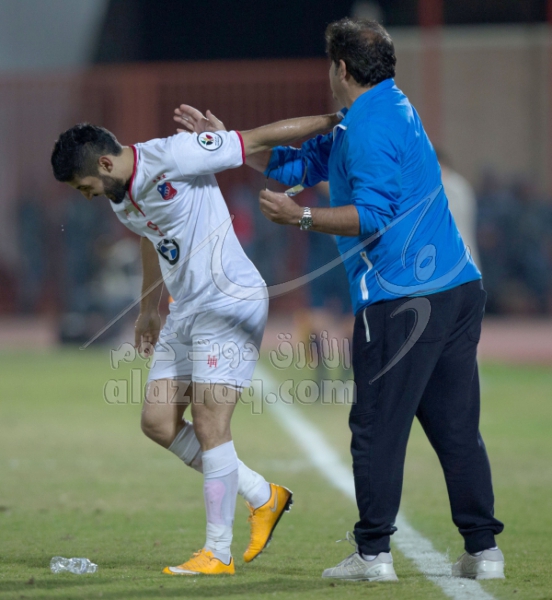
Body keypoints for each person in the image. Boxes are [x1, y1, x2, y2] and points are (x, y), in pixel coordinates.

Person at [225, 17, 504, 582]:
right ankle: (483, 550)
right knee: (456, 428)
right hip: (455, 289)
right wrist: (228, 148)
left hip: (405, 300)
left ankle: (373, 554)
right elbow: (298, 165)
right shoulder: (387, 108)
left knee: (376, 426)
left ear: (341, 68)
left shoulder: (367, 126)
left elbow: (372, 217)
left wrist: (300, 216)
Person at [50, 111, 341, 575]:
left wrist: (331, 119)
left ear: (104, 164)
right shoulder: (120, 196)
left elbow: (255, 138)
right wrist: (149, 309)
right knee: (158, 422)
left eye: (84, 186)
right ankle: (263, 495)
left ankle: (217, 552)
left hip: (228, 298)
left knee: (209, 423)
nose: (86, 195)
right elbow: (150, 237)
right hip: (186, 309)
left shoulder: (175, 155)